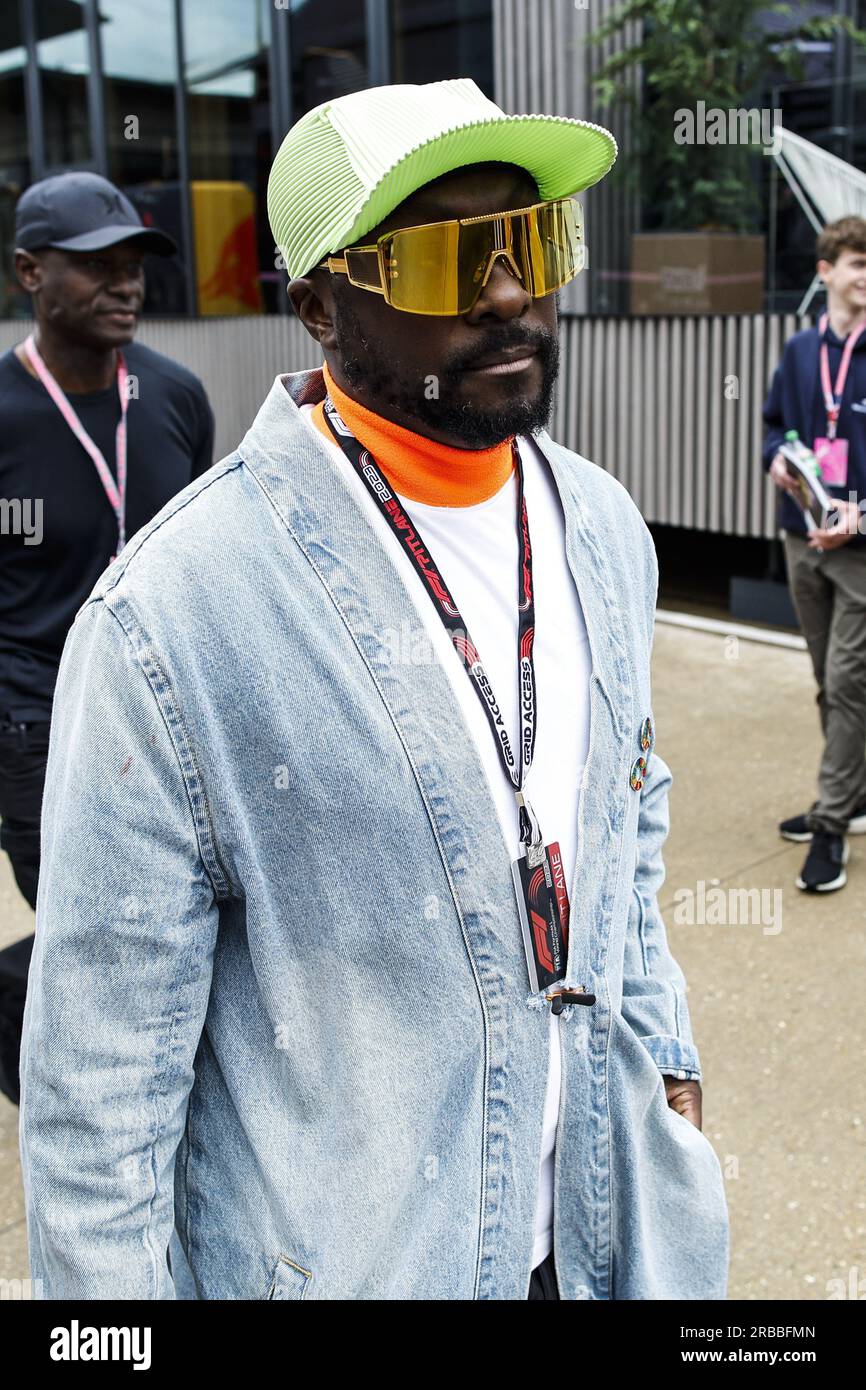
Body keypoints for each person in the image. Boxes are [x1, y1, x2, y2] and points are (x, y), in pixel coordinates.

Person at [20, 79, 729, 1300]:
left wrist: (658, 1040)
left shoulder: (604, 528)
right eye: (445, 258)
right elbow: (100, 1098)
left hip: (604, 1237)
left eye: (529, 242)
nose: (507, 293)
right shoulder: (175, 621)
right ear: (320, 307)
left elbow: (627, 809)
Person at [0, 171, 215, 1105]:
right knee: (88, 931)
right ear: (28, 273)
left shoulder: (176, 396)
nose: (124, 285)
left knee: (180, 919)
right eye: (95, 267)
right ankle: (99, 1105)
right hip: (37, 723)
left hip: (169, 715)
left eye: (133, 265)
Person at [763, 214, 866, 893]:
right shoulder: (800, 350)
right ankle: (852, 794)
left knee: (853, 680)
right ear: (826, 271)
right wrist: (777, 462)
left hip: (859, 548)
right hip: (802, 537)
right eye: (857, 263)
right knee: (830, 681)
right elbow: (774, 427)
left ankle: (830, 828)